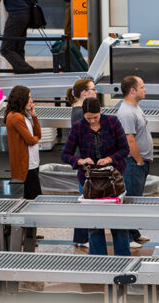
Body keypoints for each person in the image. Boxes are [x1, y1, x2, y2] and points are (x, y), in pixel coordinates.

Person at [62, 97, 130, 256]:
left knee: (118, 225)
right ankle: (98, 262)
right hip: (89, 182)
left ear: (101, 112)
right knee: (94, 226)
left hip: (113, 181)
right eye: (88, 118)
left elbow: (125, 149)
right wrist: (80, 160)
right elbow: (65, 154)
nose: (92, 121)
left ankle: (123, 261)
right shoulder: (78, 128)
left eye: (95, 117)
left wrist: (110, 159)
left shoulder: (113, 122)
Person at [117, 76, 152, 249]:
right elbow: (129, 140)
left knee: (136, 198)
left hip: (140, 162)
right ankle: (127, 238)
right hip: (132, 163)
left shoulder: (135, 107)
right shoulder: (126, 113)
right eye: (142, 87)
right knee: (129, 200)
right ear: (132, 90)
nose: (145, 90)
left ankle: (134, 232)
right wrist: (138, 160)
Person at [66, 78, 97, 248]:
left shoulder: (79, 110)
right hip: (85, 162)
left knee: (84, 196)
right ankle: (82, 236)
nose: (96, 92)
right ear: (84, 92)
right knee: (86, 197)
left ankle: (80, 236)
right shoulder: (80, 113)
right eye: (93, 89)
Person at [5, 85, 42, 200]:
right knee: (34, 195)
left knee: (30, 193)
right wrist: (36, 138)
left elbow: (38, 134)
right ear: (21, 99)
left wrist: (34, 115)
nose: (31, 101)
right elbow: (31, 140)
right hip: (27, 162)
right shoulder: (15, 117)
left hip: (32, 160)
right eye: (29, 97)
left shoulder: (22, 115)